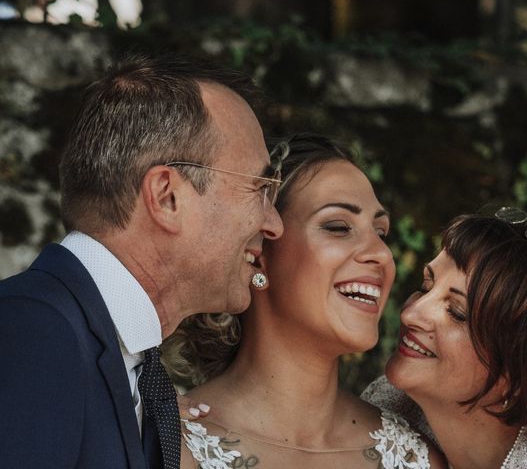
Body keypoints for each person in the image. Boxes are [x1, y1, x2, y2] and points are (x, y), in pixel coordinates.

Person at [0, 53, 284, 469]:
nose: (274, 225)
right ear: (167, 196)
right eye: (260, 188)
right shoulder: (30, 332)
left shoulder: (129, 367)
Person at [165, 133, 446, 469]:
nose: (382, 255)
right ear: (257, 252)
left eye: (381, 233)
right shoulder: (164, 444)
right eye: (339, 227)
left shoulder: (414, 457)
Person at [362, 209, 527, 469]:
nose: (411, 313)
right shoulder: (389, 403)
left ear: (522, 372)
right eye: (426, 287)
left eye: (457, 313)